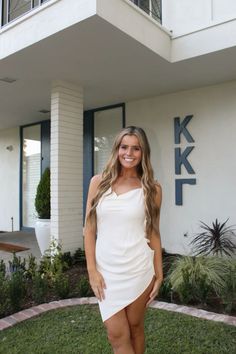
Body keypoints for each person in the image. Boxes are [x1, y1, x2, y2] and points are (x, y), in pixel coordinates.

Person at [84, 126, 163, 354]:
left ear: (143, 152)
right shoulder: (98, 183)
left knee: (135, 326)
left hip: (139, 268)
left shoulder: (152, 189)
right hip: (107, 272)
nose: (129, 153)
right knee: (116, 334)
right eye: (124, 146)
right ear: (117, 149)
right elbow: (89, 228)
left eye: (136, 148)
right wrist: (92, 271)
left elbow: (154, 232)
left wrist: (159, 273)